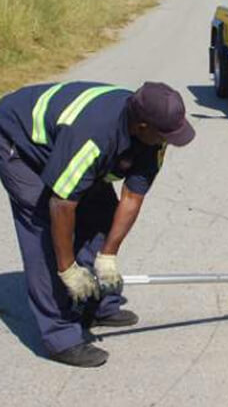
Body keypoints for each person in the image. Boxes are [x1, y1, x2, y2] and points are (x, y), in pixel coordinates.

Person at [0, 81, 195, 367]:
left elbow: (132, 196)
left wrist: (108, 255)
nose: (171, 140)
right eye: (166, 134)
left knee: (102, 213)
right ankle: (60, 336)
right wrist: (68, 270)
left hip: (66, 146)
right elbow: (62, 204)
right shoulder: (94, 137)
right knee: (44, 230)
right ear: (142, 126)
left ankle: (97, 301)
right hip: (18, 141)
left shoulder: (153, 138)